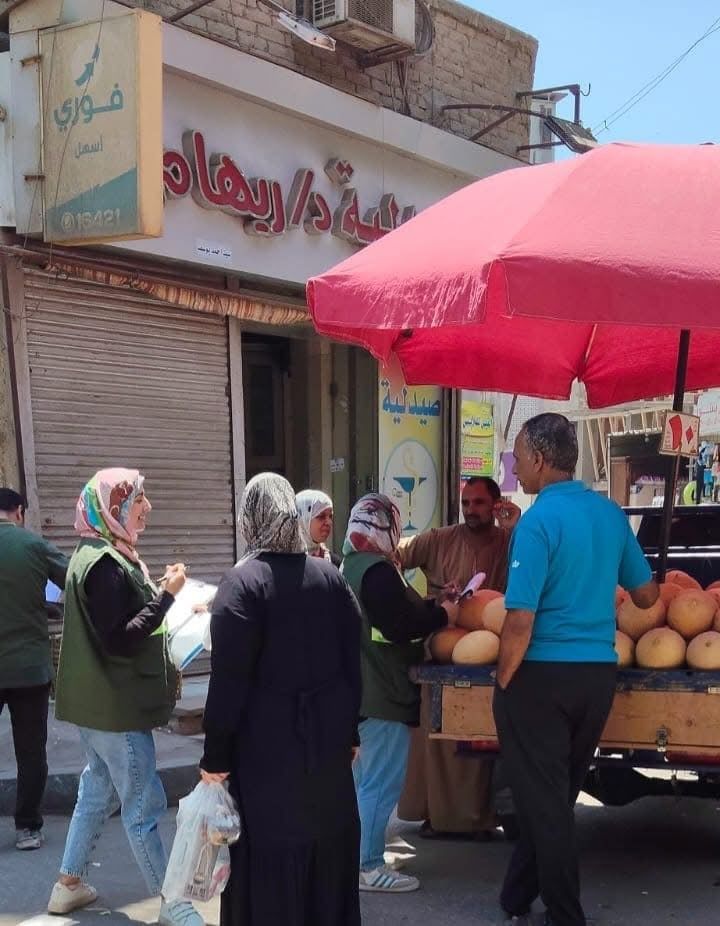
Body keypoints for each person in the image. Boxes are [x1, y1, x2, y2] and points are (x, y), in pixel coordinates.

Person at [494, 414, 658, 926]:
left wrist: (502, 682)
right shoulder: (609, 514)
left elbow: (519, 621)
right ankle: (515, 896)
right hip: (596, 677)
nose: (515, 469)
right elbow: (649, 595)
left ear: (541, 460)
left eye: (518, 457)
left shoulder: (537, 521)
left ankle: (566, 915)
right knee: (555, 794)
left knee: (545, 801)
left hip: (540, 677)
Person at [201, 472, 362, 926]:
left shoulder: (241, 584)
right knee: (326, 859)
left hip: (267, 758)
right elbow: (353, 664)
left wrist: (215, 757)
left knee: (270, 871)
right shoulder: (329, 578)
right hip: (327, 753)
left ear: (251, 519)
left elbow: (227, 682)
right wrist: (350, 731)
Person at [47, 469, 202, 926]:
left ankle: (68, 884)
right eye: (138, 499)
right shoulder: (105, 565)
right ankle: (171, 902)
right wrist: (169, 597)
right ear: (112, 509)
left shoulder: (102, 554)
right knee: (144, 805)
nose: (147, 506)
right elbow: (121, 637)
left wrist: (168, 598)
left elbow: (121, 618)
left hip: (97, 707)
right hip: (115, 710)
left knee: (96, 790)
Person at [342, 493, 456, 893]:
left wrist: (433, 604)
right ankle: (369, 868)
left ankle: (355, 859)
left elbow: (391, 615)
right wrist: (444, 615)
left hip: (362, 691)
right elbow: (399, 624)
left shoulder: (352, 566)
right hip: (382, 693)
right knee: (378, 785)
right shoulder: (377, 572)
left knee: (363, 785)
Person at [396, 477, 520, 840]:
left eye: (479, 503)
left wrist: (515, 528)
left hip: (491, 652)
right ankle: (435, 814)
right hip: (443, 652)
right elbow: (393, 561)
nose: (471, 510)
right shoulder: (438, 540)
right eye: (466, 503)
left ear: (496, 505)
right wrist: (421, 604)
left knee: (483, 734)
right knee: (437, 736)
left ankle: (481, 817)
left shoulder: (511, 541)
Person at [0, 487, 69, 851]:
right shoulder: (33, 546)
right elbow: (74, 580)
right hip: (29, 668)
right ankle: (28, 827)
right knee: (31, 751)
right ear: (19, 512)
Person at [295, 488, 337, 563]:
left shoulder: (335, 563)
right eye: (321, 516)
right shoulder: (285, 563)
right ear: (303, 520)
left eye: (330, 516)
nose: (329, 522)